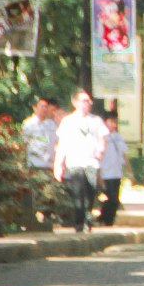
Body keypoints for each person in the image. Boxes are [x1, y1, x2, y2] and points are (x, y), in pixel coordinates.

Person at [52, 89, 108, 233]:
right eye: (84, 101)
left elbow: (102, 139)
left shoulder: (96, 121)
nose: (87, 103)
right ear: (75, 103)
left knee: (90, 193)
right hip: (75, 162)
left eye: (88, 101)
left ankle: (88, 221)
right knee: (78, 194)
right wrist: (58, 164)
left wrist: (100, 152)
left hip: (91, 163)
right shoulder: (68, 121)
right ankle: (78, 223)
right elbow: (62, 144)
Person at [98, 115, 128, 226]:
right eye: (110, 122)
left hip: (116, 173)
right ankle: (103, 218)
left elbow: (124, 154)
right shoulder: (101, 137)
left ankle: (109, 220)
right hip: (105, 173)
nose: (113, 124)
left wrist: (129, 171)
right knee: (111, 197)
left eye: (115, 122)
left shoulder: (119, 137)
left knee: (115, 199)